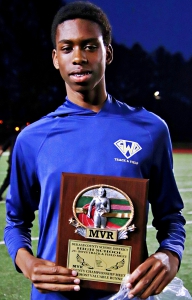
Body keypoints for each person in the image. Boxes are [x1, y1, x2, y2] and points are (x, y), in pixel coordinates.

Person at [4, 1, 186, 300]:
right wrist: (28, 263)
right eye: (67, 48)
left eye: (89, 46)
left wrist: (170, 256)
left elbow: (171, 217)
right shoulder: (32, 138)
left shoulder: (150, 130)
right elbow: (15, 222)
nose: (78, 57)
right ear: (55, 58)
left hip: (126, 294)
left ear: (108, 53)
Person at [0, 133, 17, 201]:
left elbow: (3, 148)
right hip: (20, 161)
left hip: (12, 161)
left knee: (8, 179)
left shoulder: (13, 137)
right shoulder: (27, 137)